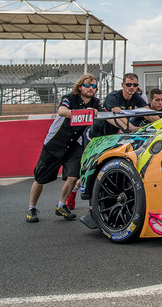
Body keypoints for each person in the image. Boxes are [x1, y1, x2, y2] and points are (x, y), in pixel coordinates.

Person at [26, 74, 104, 223]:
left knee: (74, 176)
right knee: (40, 178)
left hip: (74, 143)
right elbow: (62, 111)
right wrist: (86, 113)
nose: (91, 89)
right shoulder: (69, 97)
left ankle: (61, 205)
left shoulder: (96, 102)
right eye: (87, 85)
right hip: (55, 142)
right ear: (80, 86)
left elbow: (105, 113)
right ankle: (32, 208)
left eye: (94, 86)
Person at [88, 73, 147, 138]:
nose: (132, 87)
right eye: (129, 85)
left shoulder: (136, 96)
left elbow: (148, 111)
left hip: (114, 133)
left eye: (135, 85)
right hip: (98, 132)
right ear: (123, 85)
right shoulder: (113, 96)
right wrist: (131, 127)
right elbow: (117, 114)